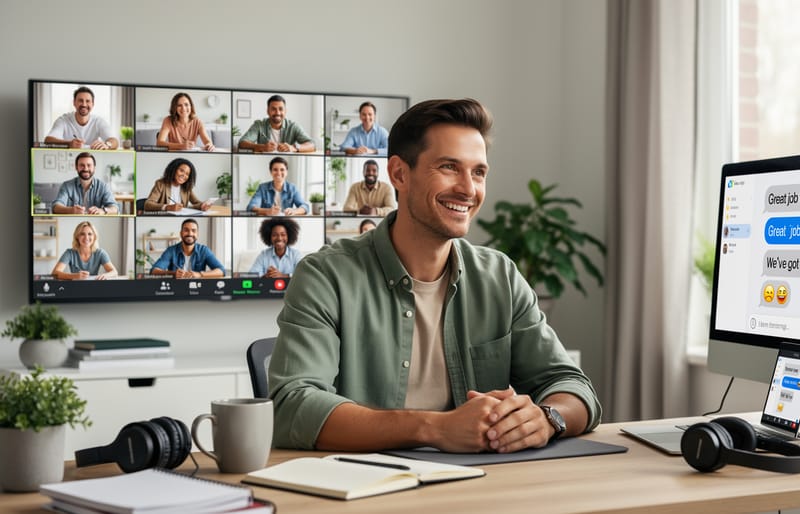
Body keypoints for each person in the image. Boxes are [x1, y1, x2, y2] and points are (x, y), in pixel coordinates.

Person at [268, 98, 601, 453]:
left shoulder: (499, 275)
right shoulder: (325, 276)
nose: (469, 190)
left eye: (478, 172)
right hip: (368, 490)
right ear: (399, 174)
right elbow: (292, 406)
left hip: (485, 485)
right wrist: (435, 428)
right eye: (449, 167)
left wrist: (547, 419)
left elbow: (571, 385)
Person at [44, 86, 119, 150]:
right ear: (74, 102)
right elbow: (48, 140)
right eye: (80, 100)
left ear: (92, 104)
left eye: (88, 101)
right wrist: (69, 144)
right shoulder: (63, 120)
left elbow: (115, 141)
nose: (84, 104)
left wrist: (107, 145)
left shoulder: (99, 121)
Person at [150, 219, 225, 278]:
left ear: (197, 234)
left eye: (193, 231)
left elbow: (221, 271)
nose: (190, 234)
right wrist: (173, 273)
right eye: (186, 230)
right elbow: (154, 271)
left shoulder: (204, 250)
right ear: (181, 233)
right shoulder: (171, 251)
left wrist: (200, 274)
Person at [238, 95, 315, 153]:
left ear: (285, 111)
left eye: (281, 109)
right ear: (268, 111)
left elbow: (312, 145)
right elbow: (242, 143)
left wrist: (294, 148)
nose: (277, 113)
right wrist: (262, 147)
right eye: (273, 109)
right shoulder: (259, 125)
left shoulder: (293, 126)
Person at [52, 152, 119, 215]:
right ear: (76, 167)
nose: (86, 169)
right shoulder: (66, 185)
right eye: (82, 165)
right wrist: (72, 210)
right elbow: (56, 207)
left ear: (94, 168)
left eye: (89, 165)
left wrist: (102, 211)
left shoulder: (103, 186)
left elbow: (115, 208)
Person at [52, 221, 117, 280]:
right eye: (82, 234)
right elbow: (55, 273)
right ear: (77, 236)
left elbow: (114, 272)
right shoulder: (69, 253)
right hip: (75, 288)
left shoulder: (100, 253)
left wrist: (106, 275)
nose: (86, 237)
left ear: (94, 237)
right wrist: (75, 276)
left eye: (90, 234)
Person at [143, 158, 213, 212]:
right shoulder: (160, 184)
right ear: (173, 169)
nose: (184, 175)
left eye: (187, 174)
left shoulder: (186, 187)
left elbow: (196, 202)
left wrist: (202, 205)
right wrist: (167, 207)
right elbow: (148, 204)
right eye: (181, 171)